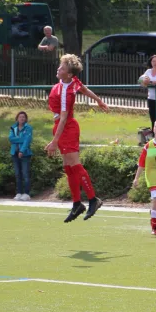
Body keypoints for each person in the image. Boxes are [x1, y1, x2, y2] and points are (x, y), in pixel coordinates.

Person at [46, 53, 108, 222]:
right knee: (68, 166)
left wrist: (55, 141)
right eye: (60, 65)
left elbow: (64, 117)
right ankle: (77, 204)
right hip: (60, 127)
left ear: (69, 74)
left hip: (66, 127)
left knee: (75, 164)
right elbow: (83, 88)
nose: (59, 68)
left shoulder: (66, 91)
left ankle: (93, 199)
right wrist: (99, 100)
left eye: (63, 67)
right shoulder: (70, 82)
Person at [9, 111, 33, 201]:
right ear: (17, 118)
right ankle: (19, 192)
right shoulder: (13, 127)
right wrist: (21, 139)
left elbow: (27, 140)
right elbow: (11, 139)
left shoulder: (28, 128)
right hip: (14, 153)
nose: (22, 118)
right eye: (20, 117)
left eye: (23, 117)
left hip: (25, 154)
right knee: (17, 174)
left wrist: (22, 150)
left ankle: (26, 193)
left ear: (25, 119)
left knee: (25, 174)